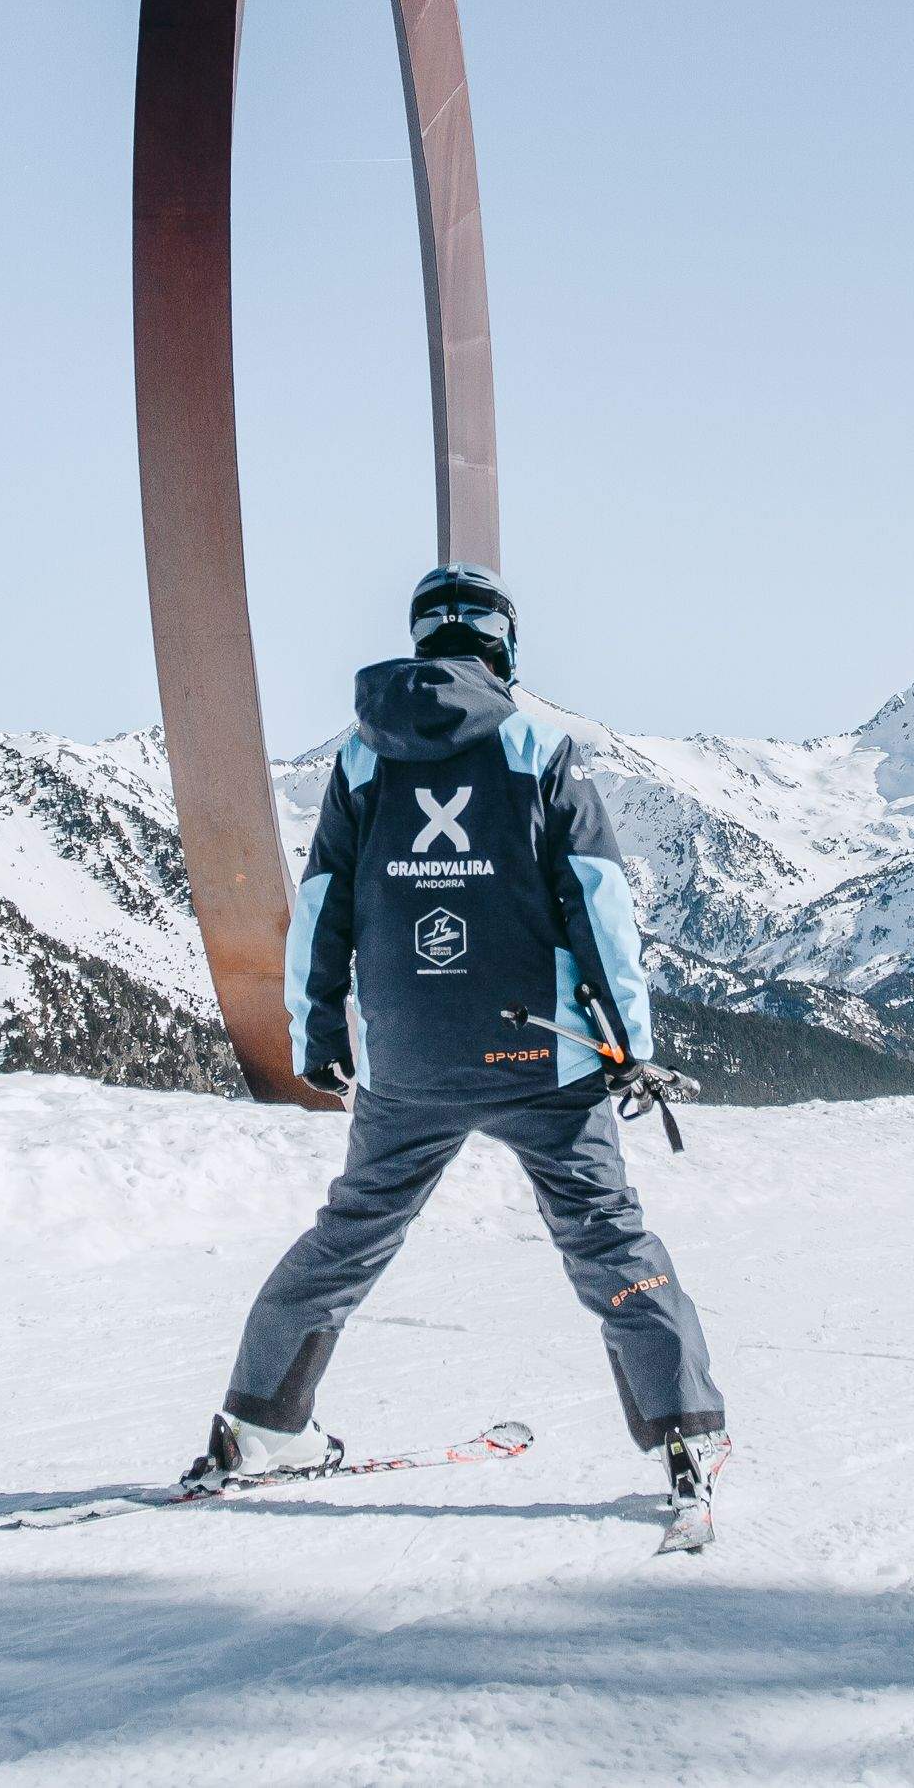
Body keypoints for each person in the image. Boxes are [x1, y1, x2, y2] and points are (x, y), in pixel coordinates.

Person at [188, 565, 731, 1539]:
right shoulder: (540, 748)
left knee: (347, 1234)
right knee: (605, 1238)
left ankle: (260, 1425)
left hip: (407, 1061)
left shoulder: (361, 760)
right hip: (544, 1054)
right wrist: (629, 1047)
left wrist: (319, 1031)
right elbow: (596, 902)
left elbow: (321, 906)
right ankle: (682, 1432)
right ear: (502, 645)